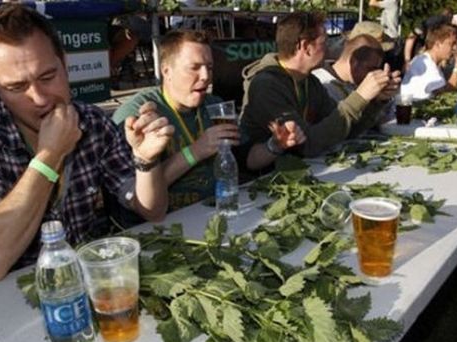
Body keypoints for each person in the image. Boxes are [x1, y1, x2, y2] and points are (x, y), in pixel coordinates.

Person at [0, 4, 174, 311]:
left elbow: (152, 211)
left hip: (69, 284)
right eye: (16, 87)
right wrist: (50, 156)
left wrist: (145, 161)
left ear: (64, 63)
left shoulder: (92, 122)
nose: (40, 98)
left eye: (48, 76)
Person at [113, 30, 298, 210]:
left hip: (214, 211)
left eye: (209, 67)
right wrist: (195, 151)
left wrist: (275, 145)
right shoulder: (138, 114)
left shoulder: (215, 105)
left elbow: (246, 159)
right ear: (166, 70)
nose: (206, 76)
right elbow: (136, 194)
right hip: (162, 224)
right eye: (195, 67)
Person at [240, 12, 393, 164]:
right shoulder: (266, 86)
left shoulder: (309, 82)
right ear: (306, 47)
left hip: (297, 171)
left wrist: (375, 101)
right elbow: (307, 145)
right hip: (263, 179)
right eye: (325, 42)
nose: (329, 48)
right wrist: (359, 96)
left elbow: (344, 130)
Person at [312, 34, 400, 130]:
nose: (372, 74)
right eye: (371, 69)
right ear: (353, 62)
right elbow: (334, 128)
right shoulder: (321, 83)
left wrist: (380, 99)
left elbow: (360, 126)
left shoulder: (353, 82)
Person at [401, 23, 457, 100]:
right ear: (437, 44)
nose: (455, 47)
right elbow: (446, 93)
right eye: (452, 43)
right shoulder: (427, 66)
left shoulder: (428, 59)